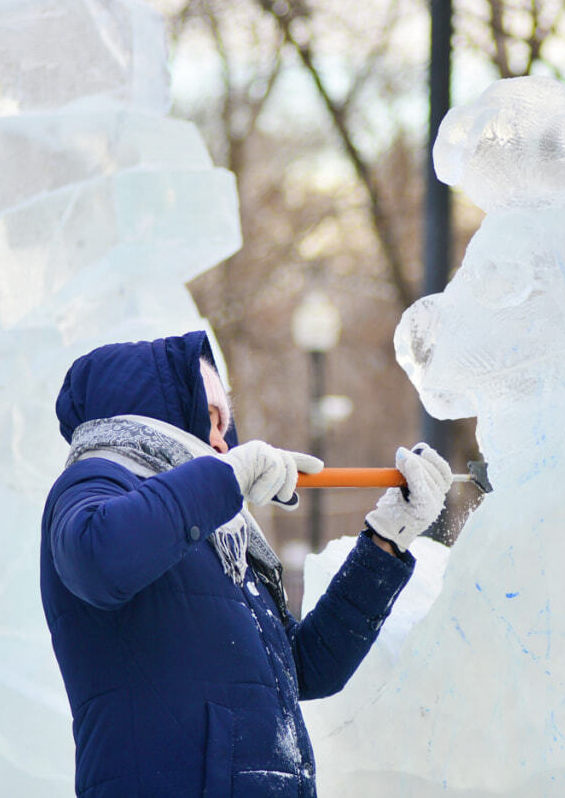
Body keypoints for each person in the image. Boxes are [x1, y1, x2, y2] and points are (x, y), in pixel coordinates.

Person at [40, 331, 451, 797]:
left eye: (224, 425)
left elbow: (305, 670)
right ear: (160, 409)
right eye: (208, 418)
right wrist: (225, 477)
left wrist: (388, 538)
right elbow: (98, 558)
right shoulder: (94, 479)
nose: (220, 441)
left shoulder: (214, 533)